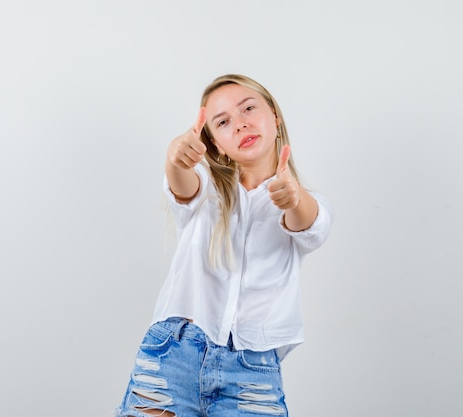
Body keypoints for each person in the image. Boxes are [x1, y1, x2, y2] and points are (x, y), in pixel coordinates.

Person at [114, 74, 333, 417]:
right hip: (175, 353)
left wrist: (292, 197)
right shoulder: (205, 189)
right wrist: (175, 158)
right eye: (223, 122)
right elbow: (182, 184)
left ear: (275, 117)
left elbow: (308, 224)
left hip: (252, 372)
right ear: (215, 144)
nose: (241, 123)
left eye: (249, 108)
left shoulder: (306, 202)